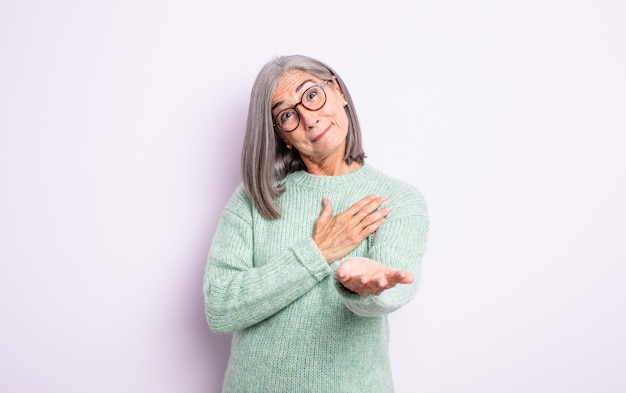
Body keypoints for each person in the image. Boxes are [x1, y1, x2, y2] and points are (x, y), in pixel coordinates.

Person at [204, 55, 429, 392]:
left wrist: (363, 285)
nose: (309, 119)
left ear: (337, 90)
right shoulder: (254, 199)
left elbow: (396, 288)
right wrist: (317, 253)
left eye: (311, 95)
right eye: (287, 115)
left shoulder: (397, 199)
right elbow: (220, 307)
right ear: (280, 135)